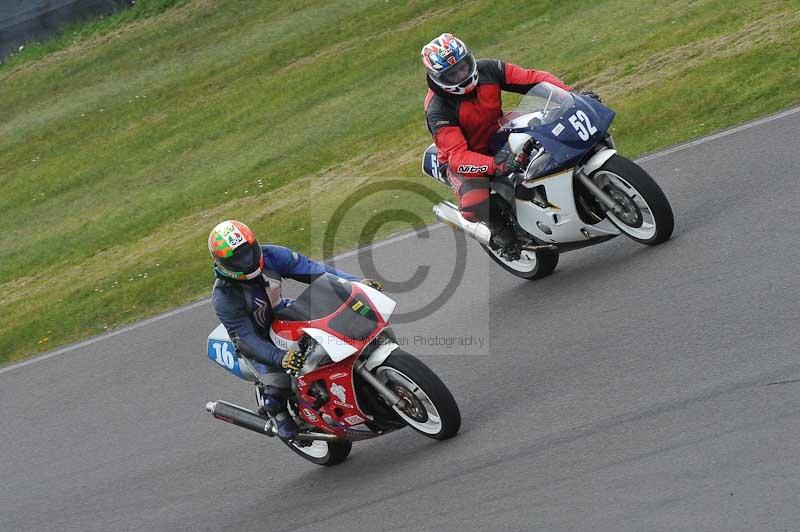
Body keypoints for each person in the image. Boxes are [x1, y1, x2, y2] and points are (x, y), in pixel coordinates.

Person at [421, 33, 600, 247]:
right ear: (438, 78)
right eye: (452, 74)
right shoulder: (438, 110)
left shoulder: (488, 69)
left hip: (497, 129)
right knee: (475, 201)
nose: (462, 74)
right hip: (463, 158)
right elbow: (457, 156)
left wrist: (572, 95)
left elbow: (533, 78)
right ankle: (499, 229)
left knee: (546, 127)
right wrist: (496, 165)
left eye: (464, 66)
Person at [208, 219, 382, 439]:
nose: (246, 261)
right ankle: (277, 411)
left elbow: (315, 271)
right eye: (237, 258)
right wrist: (280, 358)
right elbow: (245, 339)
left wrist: (355, 283)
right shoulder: (224, 296)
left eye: (248, 251)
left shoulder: (272, 255)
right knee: (279, 384)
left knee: (338, 327)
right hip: (259, 339)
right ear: (222, 262)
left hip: (283, 312)